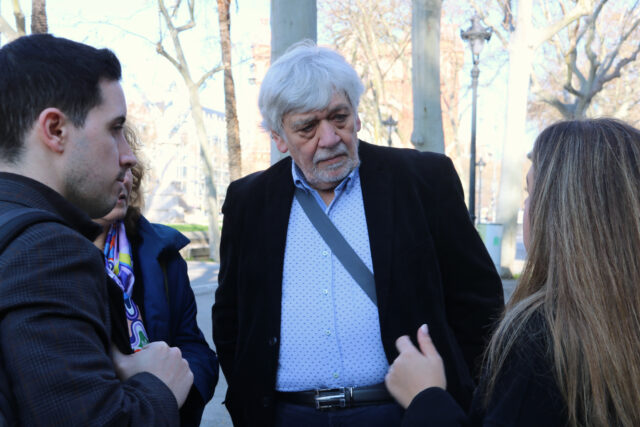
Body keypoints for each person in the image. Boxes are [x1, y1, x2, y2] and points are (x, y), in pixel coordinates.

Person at [212, 40, 504, 427]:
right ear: (278, 137)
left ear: (357, 116)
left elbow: (479, 303)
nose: (330, 138)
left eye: (339, 117)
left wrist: (451, 399)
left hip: (403, 414)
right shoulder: (248, 201)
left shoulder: (424, 181)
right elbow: (231, 319)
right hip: (287, 416)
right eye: (307, 127)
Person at [385, 118, 640, 426]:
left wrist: (425, 397)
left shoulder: (542, 335)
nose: (525, 208)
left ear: (559, 212)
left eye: (530, 192)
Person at [0, 34, 192, 425]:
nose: (129, 154)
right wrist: (158, 386)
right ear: (55, 129)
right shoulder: (48, 249)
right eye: (115, 128)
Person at [93, 125, 219, 427]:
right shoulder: (50, 253)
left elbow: (194, 347)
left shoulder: (163, 253)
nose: (124, 178)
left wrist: (178, 394)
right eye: (111, 165)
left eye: (128, 169)